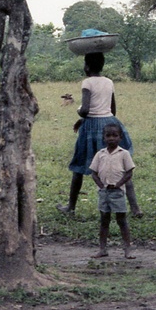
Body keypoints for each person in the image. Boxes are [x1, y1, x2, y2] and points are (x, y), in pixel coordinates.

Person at [57, 51, 143, 218]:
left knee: (79, 168)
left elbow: (86, 110)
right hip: (109, 123)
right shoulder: (109, 82)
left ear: (87, 66)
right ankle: (135, 208)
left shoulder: (87, 83)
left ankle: (71, 207)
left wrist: (79, 112)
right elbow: (112, 109)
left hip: (91, 127)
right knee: (121, 166)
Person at [89, 123, 136, 259]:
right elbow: (94, 173)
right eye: (108, 136)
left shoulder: (124, 154)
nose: (111, 138)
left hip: (118, 192)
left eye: (115, 135)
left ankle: (128, 249)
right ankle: (102, 249)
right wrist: (101, 186)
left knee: (122, 220)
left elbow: (129, 173)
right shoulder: (100, 154)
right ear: (103, 138)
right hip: (104, 192)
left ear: (120, 138)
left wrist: (118, 184)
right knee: (104, 220)